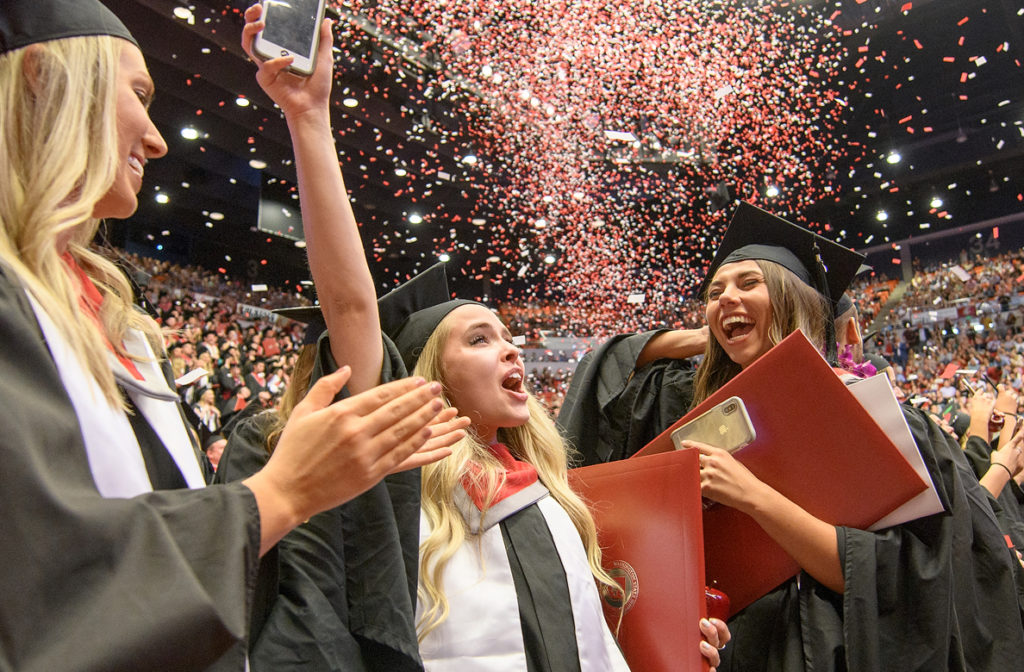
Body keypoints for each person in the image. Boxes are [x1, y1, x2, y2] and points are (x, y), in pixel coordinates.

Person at [239, 5, 729, 669]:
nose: (511, 348)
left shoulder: (552, 498)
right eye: (478, 339)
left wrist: (674, 650)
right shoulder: (404, 495)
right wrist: (309, 119)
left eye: (507, 335)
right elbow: (352, 307)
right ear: (425, 379)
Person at [0, 2, 457, 670]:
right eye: (138, 95)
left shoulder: (113, 322)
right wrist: (282, 492)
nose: (156, 140)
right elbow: (43, 585)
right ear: (42, 81)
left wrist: (308, 117)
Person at [559, 202, 1024, 671]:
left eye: (748, 283)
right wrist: (706, 337)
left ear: (793, 298)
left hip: (835, 650)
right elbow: (610, 372)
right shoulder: (705, 412)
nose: (725, 297)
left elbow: (901, 577)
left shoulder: (877, 417)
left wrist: (752, 495)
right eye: (715, 292)